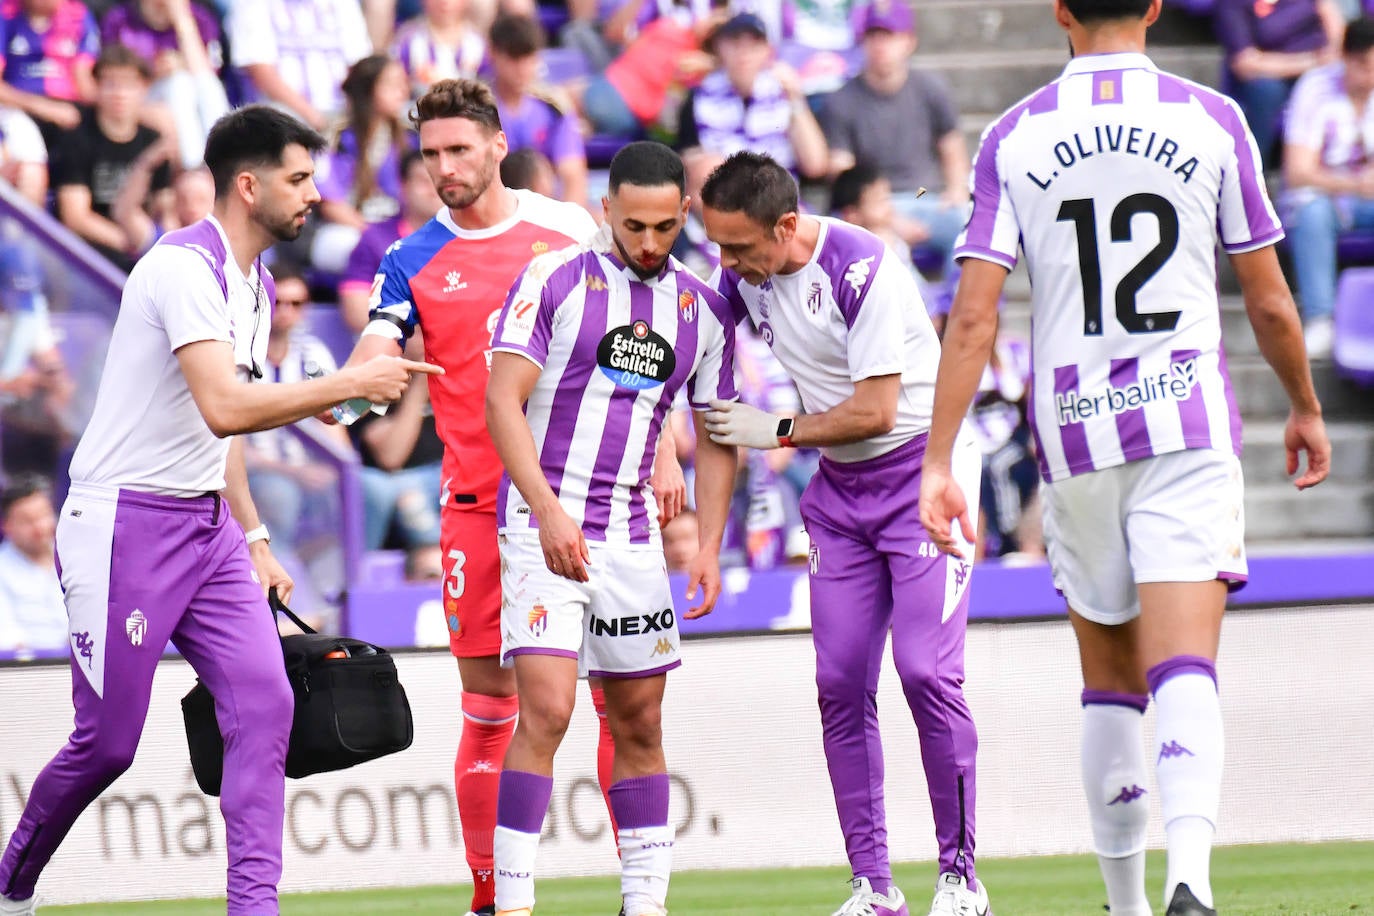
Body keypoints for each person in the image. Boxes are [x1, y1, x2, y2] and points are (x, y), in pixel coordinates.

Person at [918, 3, 1332, 916]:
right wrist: (1303, 404)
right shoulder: (1210, 117)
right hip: (1184, 426)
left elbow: (976, 317)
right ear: (1153, 6)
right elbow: (1266, 301)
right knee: (1185, 665)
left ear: (1060, 11)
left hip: (1074, 433)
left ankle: (1127, 903)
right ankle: (1191, 878)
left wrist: (938, 458)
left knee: (1108, 680)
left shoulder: (1015, 134)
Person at [0, 104, 437, 916]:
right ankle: (9, 885)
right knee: (107, 746)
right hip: (122, 525)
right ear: (248, 183)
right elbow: (227, 406)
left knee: (268, 705)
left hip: (207, 530)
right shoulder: (181, 268)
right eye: (300, 178)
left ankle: (253, 910)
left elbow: (226, 431)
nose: (315, 194)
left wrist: (257, 534)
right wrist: (349, 383)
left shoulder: (258, 283)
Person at [341, 78, 679, 916]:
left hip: (589, 505)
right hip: (478, 512)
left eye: (460, 149)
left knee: (617, 705)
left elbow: (635, 340)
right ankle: (492, 900)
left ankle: (640, 897)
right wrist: (357, 373)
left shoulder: (567, 231)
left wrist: (668, 452)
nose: (445, 168)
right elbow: (376, 347)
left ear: (498, 144)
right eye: (429, 156)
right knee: (491, 708)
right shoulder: (410, 258)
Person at [699, 150, 989, 916]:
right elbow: (694, 342)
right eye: (719, 249)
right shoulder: (744, 276)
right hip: (843, 492)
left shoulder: (864, 269)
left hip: (925, 474)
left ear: (787, 226)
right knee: (839, 683)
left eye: (737, 248)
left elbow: (877, 412)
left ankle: (961, 878)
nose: (727, 265)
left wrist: (781, 429)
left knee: (926, 672)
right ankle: (874, 887)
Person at [485, 139, 738, 916]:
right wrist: (549, 509)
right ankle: (516, 905)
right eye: (634, 226)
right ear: (605, 211)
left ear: (684, 214)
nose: (650, 243)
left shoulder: (701, 304)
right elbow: (502, 400)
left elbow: (719, 430)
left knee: (641, 719)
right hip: (541, 524)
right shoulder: (554, 279)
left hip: (631, 539)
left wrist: (710, 542)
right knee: (550, 710)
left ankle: (645, 904)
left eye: (665, 227)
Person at [820, 1, 970, 277]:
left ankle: (958, 311)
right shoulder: (841, 100)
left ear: (909, 41)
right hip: (875, 205)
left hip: (925, 195)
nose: (880, 45)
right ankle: (928, 314)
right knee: (881, 239)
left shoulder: (931, 89)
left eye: (889, 35)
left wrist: (958, 190)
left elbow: (952, 146)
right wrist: (887, 216)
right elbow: (842, 174)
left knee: (971, 227)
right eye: (873, 35)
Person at [1280, 16, 1374, 358]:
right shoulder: (1315, 88)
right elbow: (1297, 172)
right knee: (1312, 212)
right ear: (1348, 58)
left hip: (1367, 199)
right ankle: (1321, 317)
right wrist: (1353, 184)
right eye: (1366, 66)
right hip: (1325, 196)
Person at [51, 44, 176, 272]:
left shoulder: (152, 141)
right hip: (91, 250)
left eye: (129, 84)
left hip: (142, 239)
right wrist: (128, 244)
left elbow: (164, 205)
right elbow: (75, 216)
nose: (119, 93)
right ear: (96, 87)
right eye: (110, 84)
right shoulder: (77, 139)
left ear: (144, 88)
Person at [674, 12, 829, 179]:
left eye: (753, 45)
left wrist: (795, 98)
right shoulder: (699, 96)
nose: (744, 54)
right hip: (723, 192)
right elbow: (689, 160)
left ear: (767, 51)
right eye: (735, 44)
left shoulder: (783, 92)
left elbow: (816, 165)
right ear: (719, 47)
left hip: (777, 195)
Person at [100, 0, 231, 169]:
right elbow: (111, 75)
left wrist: (182, 19)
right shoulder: (120, 19)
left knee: (199, 83)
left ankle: (225, 159)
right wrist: (153, 72)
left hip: (191, 104)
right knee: (178, 84)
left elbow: (206, 76)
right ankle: (193, 168)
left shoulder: (199, 17)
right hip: (138, 99)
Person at [1213, 0, 1344, 169]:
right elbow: (1244, 63)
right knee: (1266, 91)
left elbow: (1339, 39)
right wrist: (1311, 62)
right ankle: (1253, 173)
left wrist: (1330, 58)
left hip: (1318, 71)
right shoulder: (1233, 4)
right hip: (1269, 77)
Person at [486, 13, 589, 211]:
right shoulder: (475, 107)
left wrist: (566, 225)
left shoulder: (554, 107)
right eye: (514, 58)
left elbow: (573, 175)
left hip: (544, 205)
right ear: (493, 53)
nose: (523, 69)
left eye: (530, 58)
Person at [340, 147, 442, 332]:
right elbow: (356, 309)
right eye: (423, 181)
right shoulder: (375, 238)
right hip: (391, 349)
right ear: (403, 186)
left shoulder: (464, 236)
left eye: (437, 180)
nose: (432, 190)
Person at [0, 474, 65, 656]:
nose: (39, 527)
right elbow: (8, 640)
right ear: (7, 526)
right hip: (29, 671)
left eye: (43, 516)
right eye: (27, 521)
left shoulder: (74, 558)